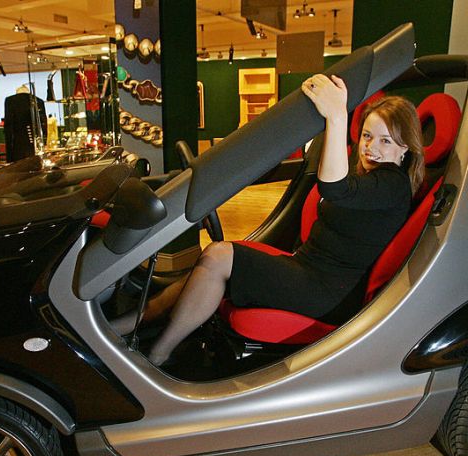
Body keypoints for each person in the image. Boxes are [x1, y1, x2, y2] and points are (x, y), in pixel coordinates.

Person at [114, 74, 425, 366]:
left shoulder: (392, 183)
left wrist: (336, 116)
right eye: (368, 136)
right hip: (309, 269)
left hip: (329, 291)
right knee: (213, 258)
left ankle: (157, 356)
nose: (371, 147)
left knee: (219, 255)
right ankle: (142, 318)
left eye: (386, 141)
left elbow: (334, 188)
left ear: (405, 149)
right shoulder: (370, 179)